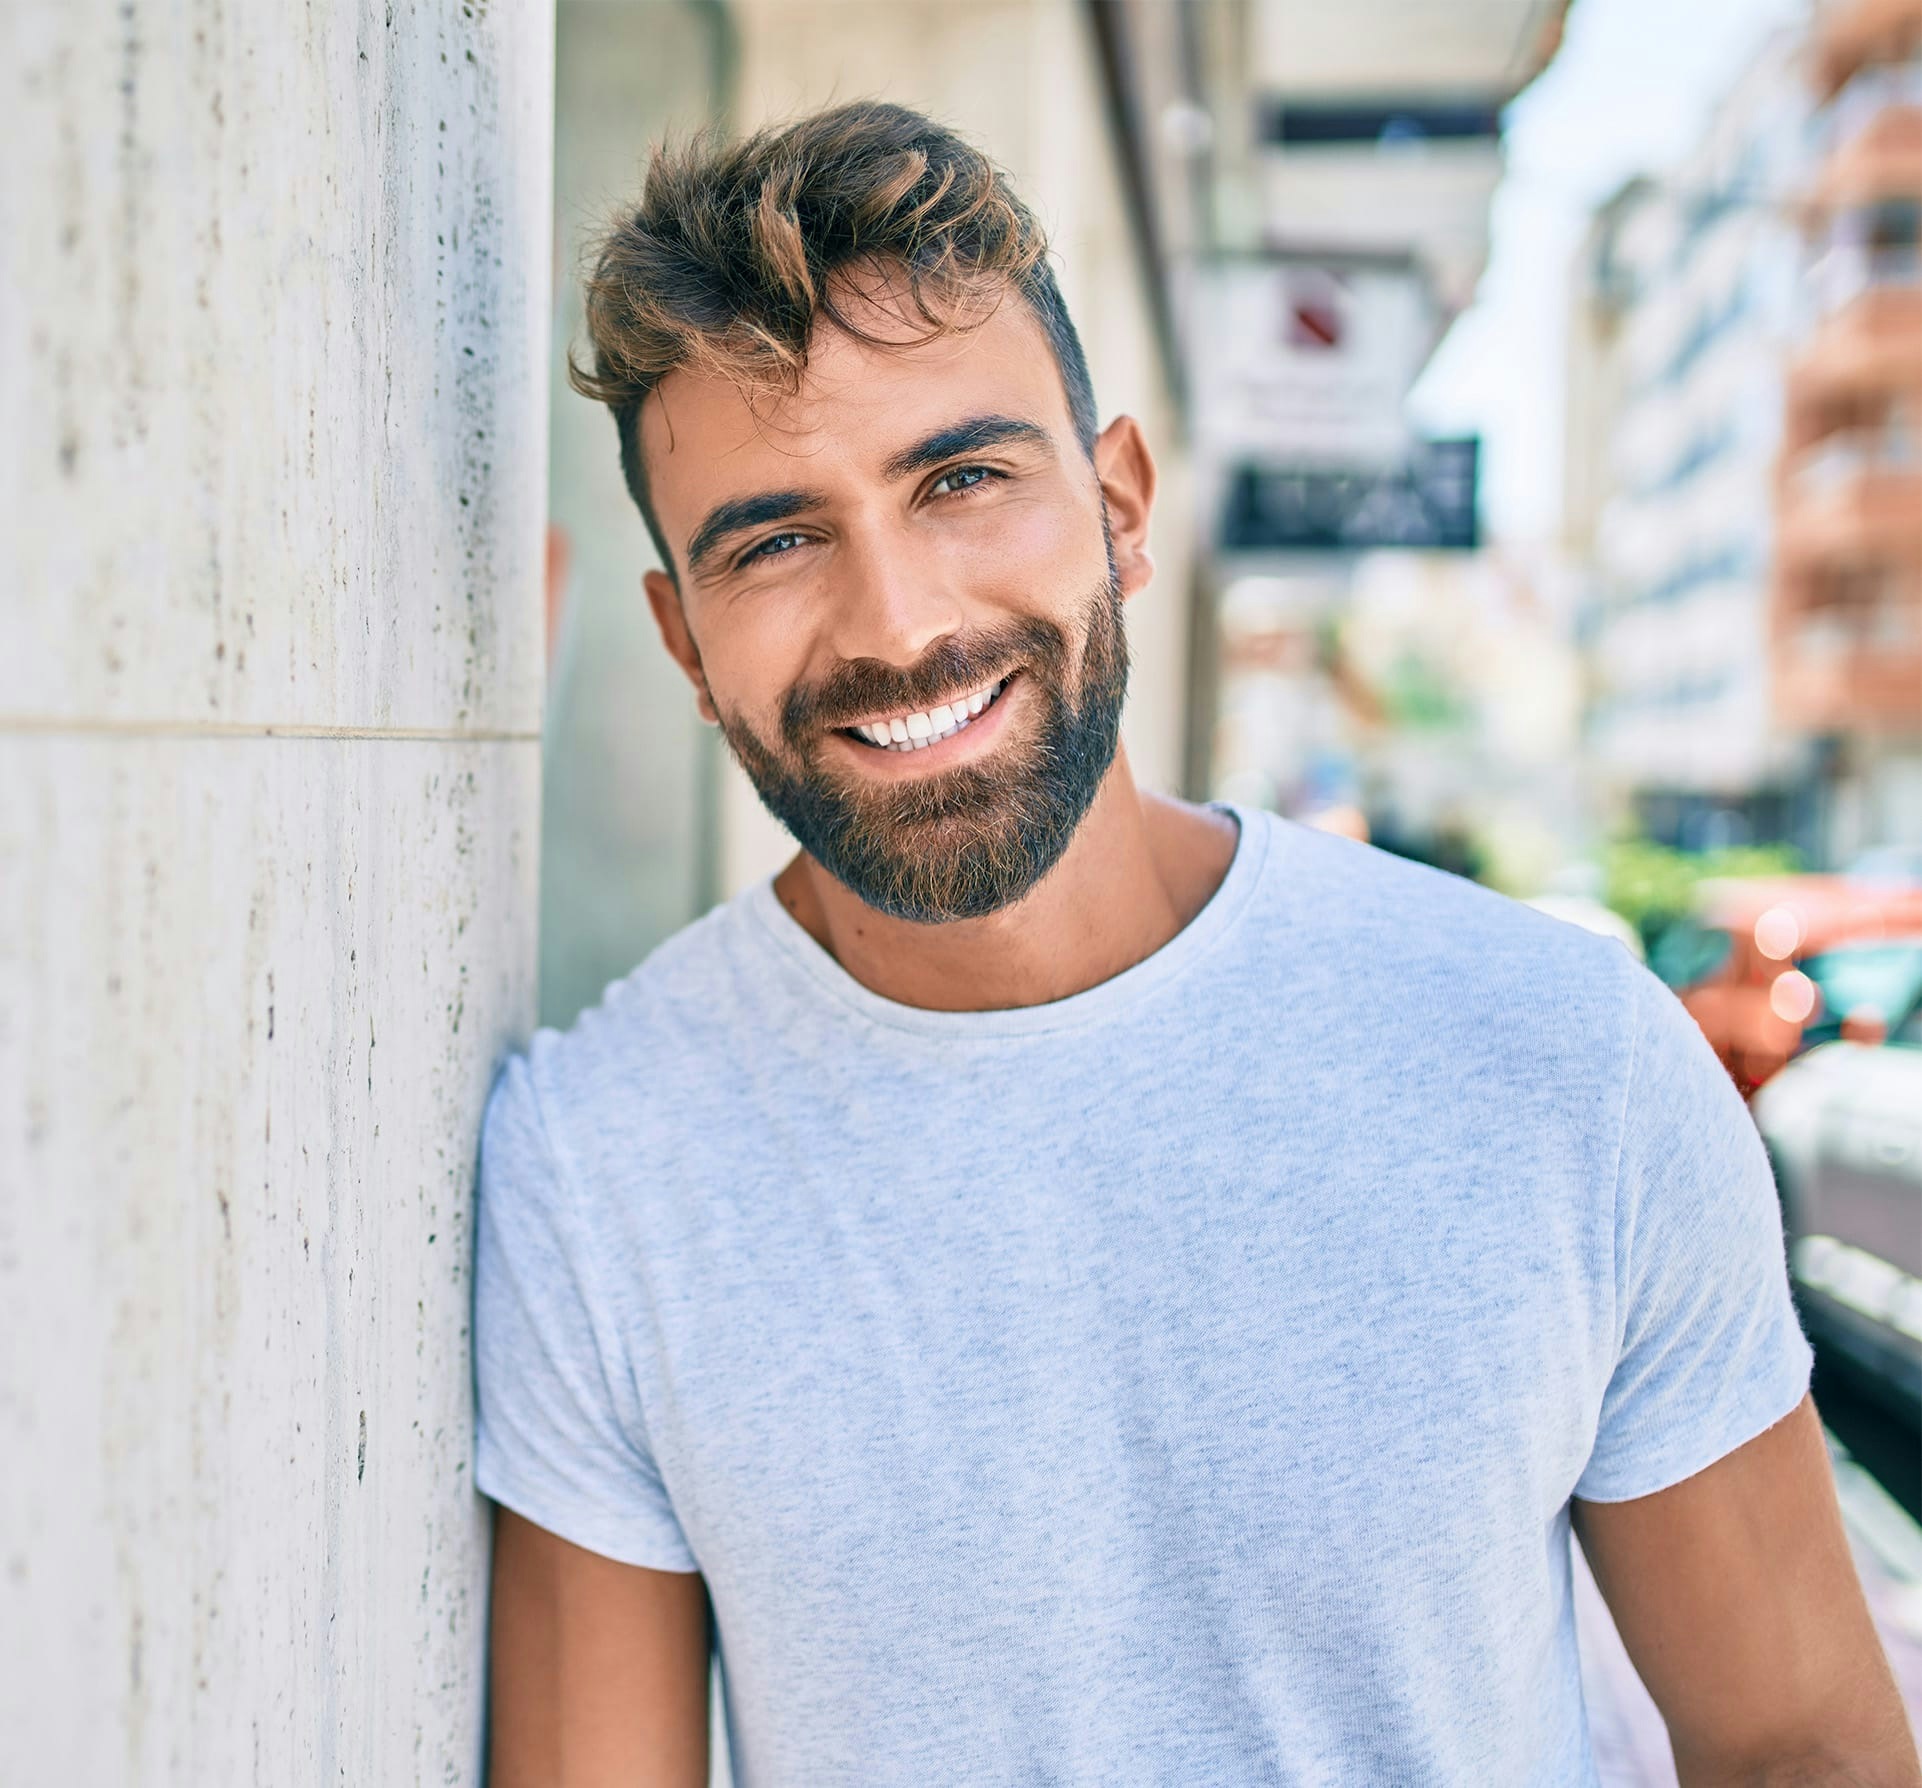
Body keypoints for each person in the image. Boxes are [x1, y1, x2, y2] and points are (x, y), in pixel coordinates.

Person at [473, 101, 1918, 1787]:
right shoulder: (601, 1160)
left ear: (1119, 505)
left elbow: (1800, 1748)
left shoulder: (1562, 1059)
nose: (899, 620)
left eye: (961, 479)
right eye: (776, 541)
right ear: (682, 642)